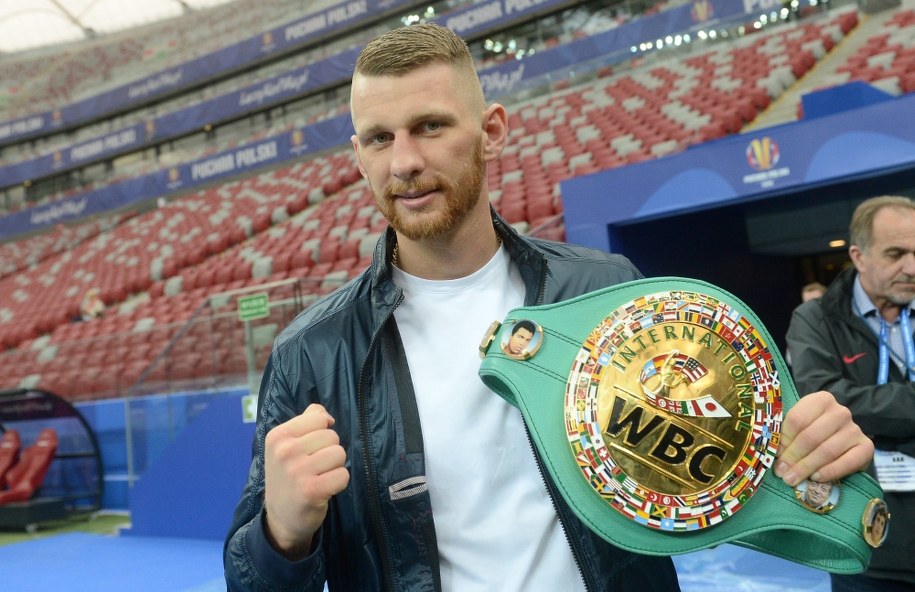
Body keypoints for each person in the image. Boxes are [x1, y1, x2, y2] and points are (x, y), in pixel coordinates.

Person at [225, 23, 875, 591]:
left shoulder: (605, 290)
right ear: (358, 157)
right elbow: (249, 579)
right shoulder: (313, 351)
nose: (405, 161)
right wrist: (283, 532)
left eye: (429, 126)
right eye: (377, 138)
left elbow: (716, 476)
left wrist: (810, 458)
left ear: (492, 131)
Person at [787, 195, 915, 591]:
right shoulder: (816, 318)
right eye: (895, 254)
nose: (911, 268)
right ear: (858, 256)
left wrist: (869, 407)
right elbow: (824, 401)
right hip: (866, 541)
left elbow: (850, 402)